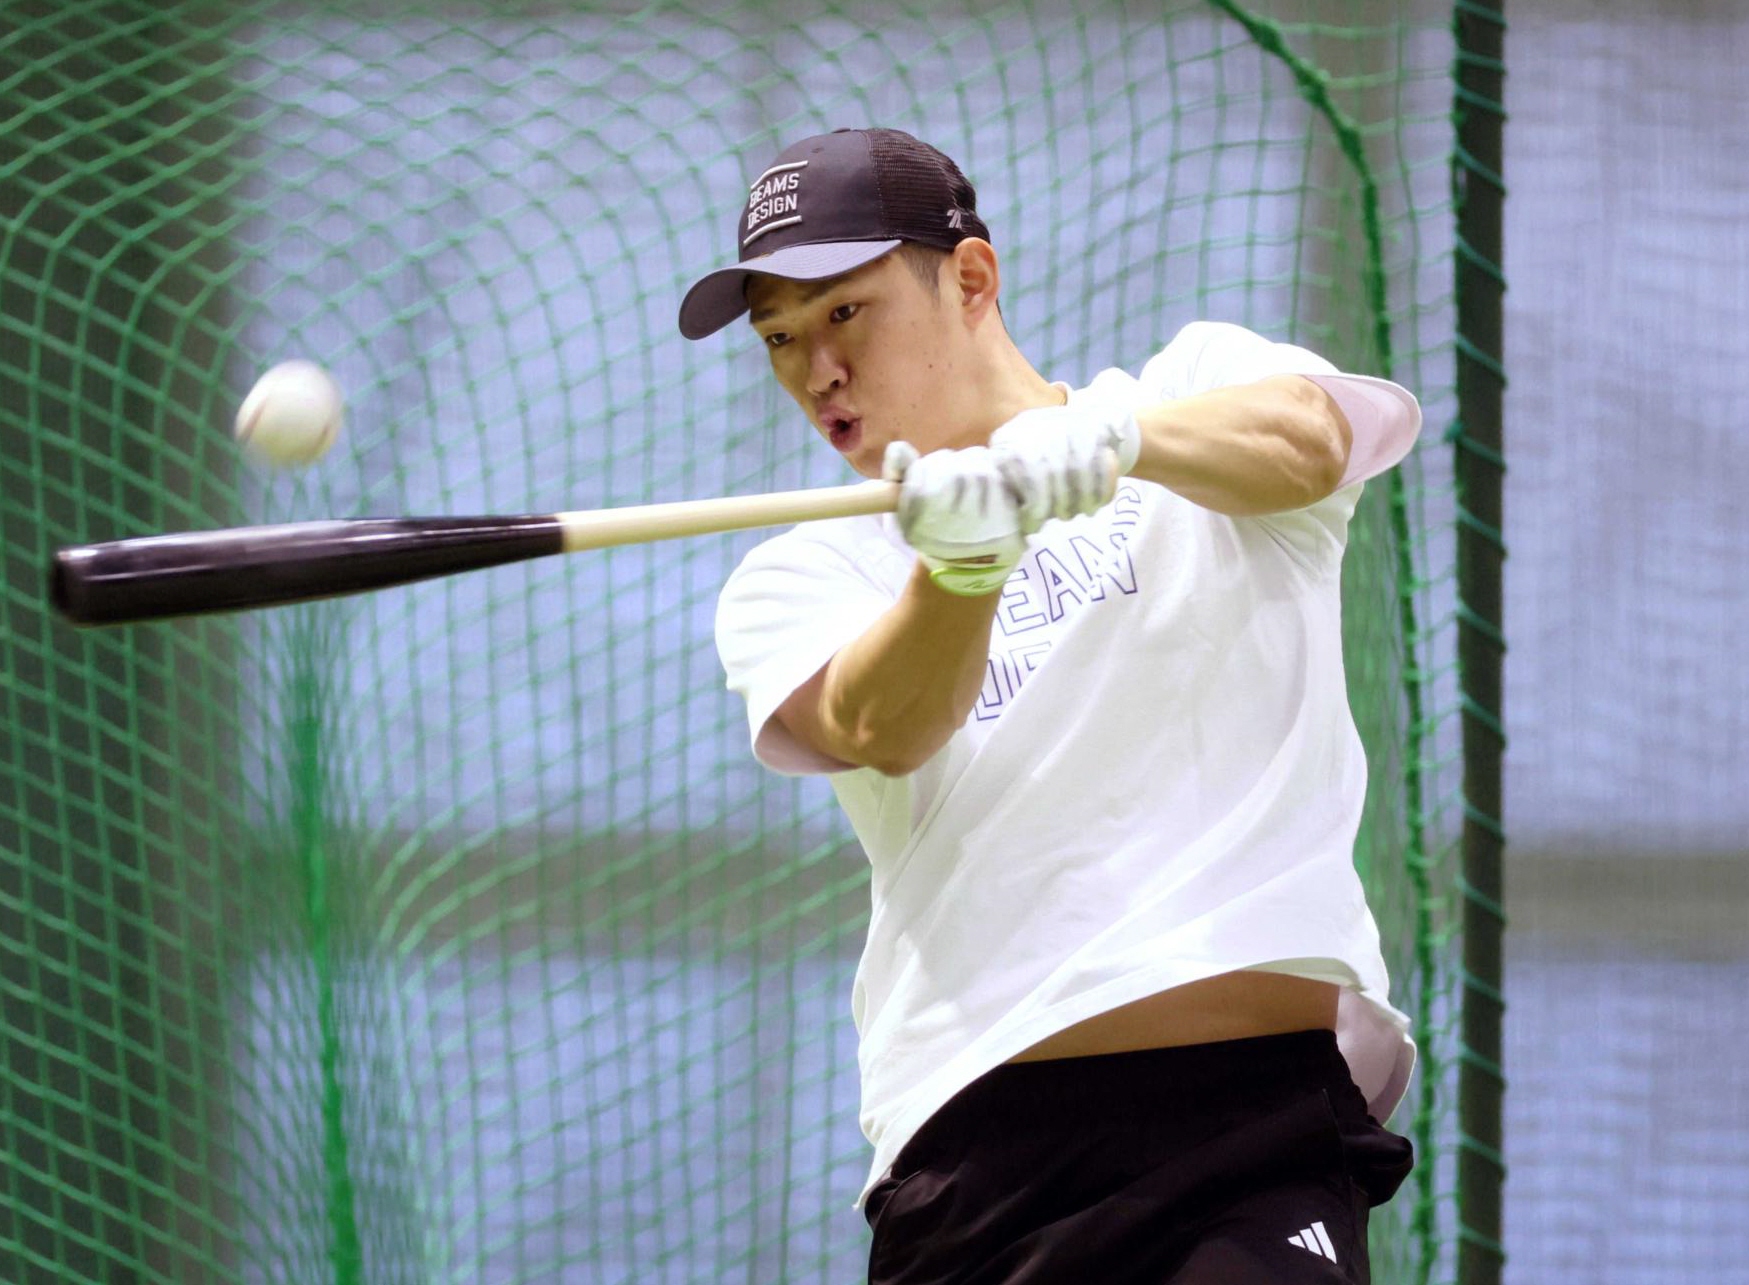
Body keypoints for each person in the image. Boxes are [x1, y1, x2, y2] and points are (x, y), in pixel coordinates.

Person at [680, 126, 1419, 1285]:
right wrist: (964, 567)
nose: (815, 370)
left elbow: (1315, 436)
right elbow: (882, 727)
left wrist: (1117, 441)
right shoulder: (804, 568)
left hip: (1253, 1139)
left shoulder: (1194, 389)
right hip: (978, 1164)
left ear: (971, 278)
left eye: (844, 313)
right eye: (780, 336)